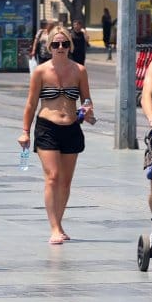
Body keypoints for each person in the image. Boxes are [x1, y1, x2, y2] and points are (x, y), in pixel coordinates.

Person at [19, 23, 94, 245]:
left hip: (71, 127)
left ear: (69, 46)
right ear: (49, 46)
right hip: (47, 127)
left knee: (65, 182)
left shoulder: (79, 71)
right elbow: (31, 104)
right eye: (55, 44)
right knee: (52, 176)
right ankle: (54, 228)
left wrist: (88, 110)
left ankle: (59, 223)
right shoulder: (41, 72)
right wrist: (25, 132)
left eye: (64, 44)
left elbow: (86, 99)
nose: (60, 47)